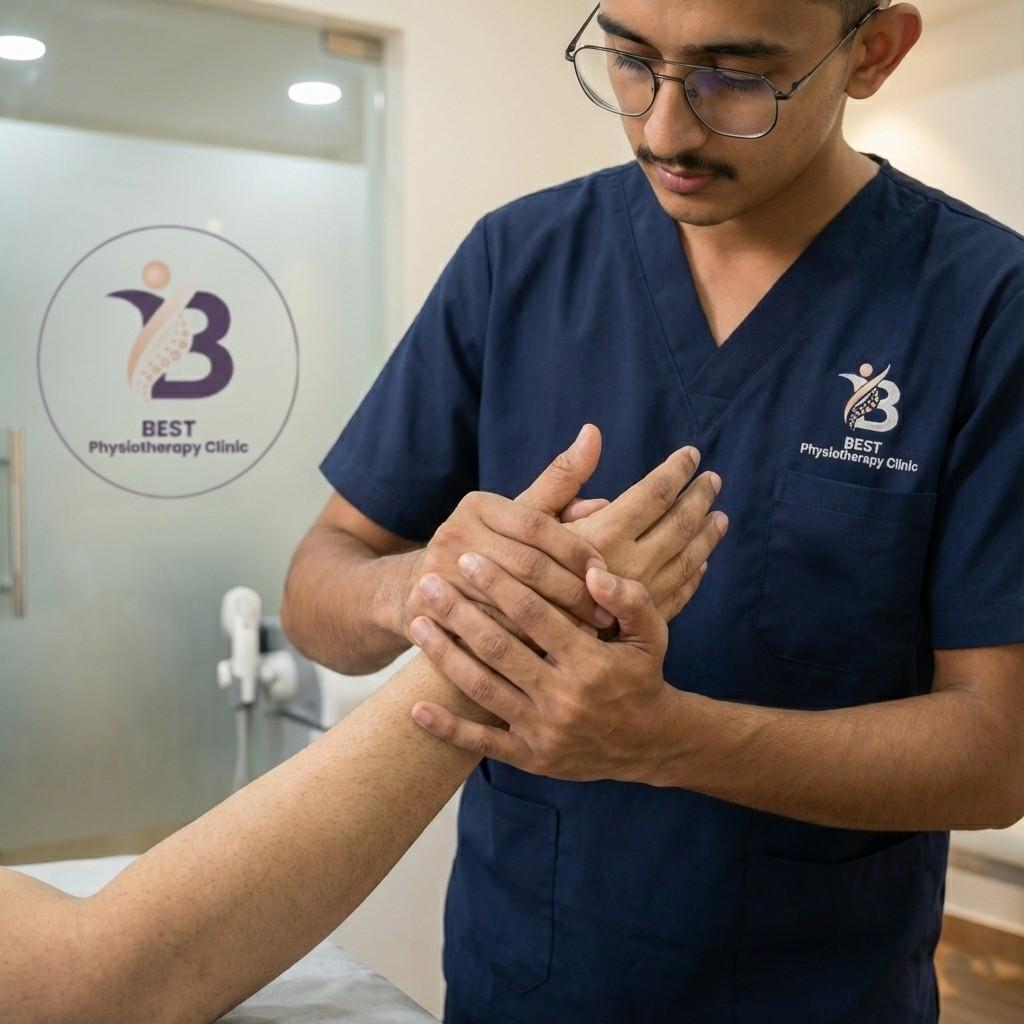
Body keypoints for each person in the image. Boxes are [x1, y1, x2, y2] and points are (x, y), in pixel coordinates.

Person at [280, 2, 1024, 1022]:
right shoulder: (517, 261)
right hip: (522, 978)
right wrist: (431, 582)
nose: (664, 129)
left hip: (818, 992)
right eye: (630, 62)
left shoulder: (985, 307)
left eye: (736, 77)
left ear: (873, 53)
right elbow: (317, 587)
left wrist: (663, 739)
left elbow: (997, 753)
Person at [0, 439, 722, 1023]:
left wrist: (509, 622)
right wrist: (497, 620)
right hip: (533, 964)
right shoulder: (515, 266)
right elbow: (91, 980)